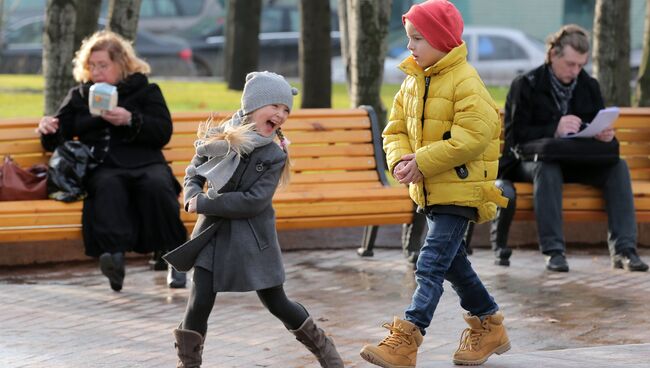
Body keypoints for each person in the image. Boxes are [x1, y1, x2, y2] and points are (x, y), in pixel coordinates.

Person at [359, 1, 511, 367]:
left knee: (429, 263)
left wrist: (422, 161)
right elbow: (394, 129)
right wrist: (400, 161)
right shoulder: (412, 80)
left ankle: (408, 338)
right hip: (429, 191)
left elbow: (473, 136)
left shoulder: (466, 82)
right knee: (452, 263)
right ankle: (489, 325)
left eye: (418, 38)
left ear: (443, 41)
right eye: (409, 38)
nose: (409, 45)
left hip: (460, 189)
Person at [168, 71, 344, 368]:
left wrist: (205, 202)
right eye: (275, 105)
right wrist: (192, 194)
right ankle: (188, 364)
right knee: (199, 301)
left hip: (254, 238)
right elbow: (194, 171)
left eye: (286, 109)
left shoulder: (274, 155)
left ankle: (325, 350)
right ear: (253, 104)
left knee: (276, 301)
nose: (281, 114)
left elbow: (254, 202)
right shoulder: (220, 137)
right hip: (211, 234)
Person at [37, 30, 188, 291]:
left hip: (145, 161)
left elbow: (162, 131)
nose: (97, 71)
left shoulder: (145, 90)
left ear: (121, 64)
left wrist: (131, 119)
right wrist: (48, 127)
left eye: (103, 65)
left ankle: (175, 257)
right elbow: (58, 135)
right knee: (107, 186)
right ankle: (113, 258)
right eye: (92, 65)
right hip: (103, 163)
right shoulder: (81, 95)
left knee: (156, 185)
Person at [495, 24, 649, 273]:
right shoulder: (526, 84)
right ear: (553, 55)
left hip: (577, 160)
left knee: (617, 166)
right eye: (570, 64)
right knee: (548, 168)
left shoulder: (588, 85)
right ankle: (554, 251)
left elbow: (593, 121)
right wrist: (554, 128)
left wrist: (601, 133)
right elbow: (516, 137)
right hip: (531, 161)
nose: (575, 71)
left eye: (580, 65)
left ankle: (625, 250)